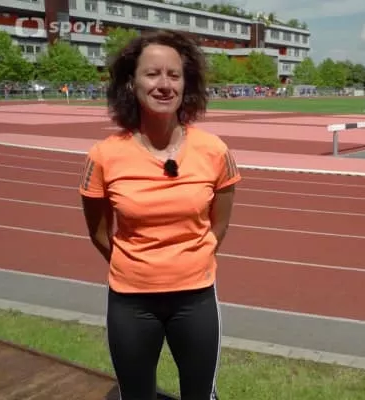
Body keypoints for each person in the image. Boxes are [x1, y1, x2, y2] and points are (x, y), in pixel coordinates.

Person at [78, 29, 241, 399]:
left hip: (196, 298)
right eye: (152, 74)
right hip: (132, 301)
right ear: (131, 82)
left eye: (174, 75)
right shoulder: (103, 156)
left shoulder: (214, 150)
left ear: (186, 84)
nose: (164, 84)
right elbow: (99, 232)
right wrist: (137, 264)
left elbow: (219, 225)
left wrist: (190, 259)